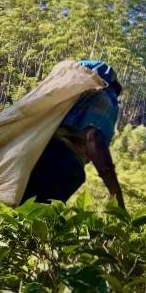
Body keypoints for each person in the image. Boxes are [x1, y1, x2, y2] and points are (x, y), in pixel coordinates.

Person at [21, 60, 125, 208]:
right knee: (38, 216)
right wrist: (116, 195)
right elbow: (93, 137)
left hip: (33, 154)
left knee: (18, 213)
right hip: (62, 162)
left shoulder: (66, 94)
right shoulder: (105, 96)